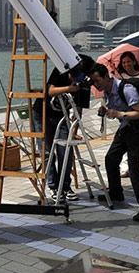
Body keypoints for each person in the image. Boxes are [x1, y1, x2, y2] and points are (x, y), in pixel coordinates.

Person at [89, 63, 139, 221]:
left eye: (97, 80)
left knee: (133, 168)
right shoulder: (107, 91)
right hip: (125, 129)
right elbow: (116, 111)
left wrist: (118, 113)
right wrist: (106, 111)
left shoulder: (126, 89)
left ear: (107, 76)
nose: (95, 84)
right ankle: (116, 193)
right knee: (111, 158)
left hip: (137, 130)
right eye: (93, 82)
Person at [32, 55, 95, 203]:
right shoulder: (61, 71)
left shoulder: (84, 83)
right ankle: (54, 187)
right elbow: (50, 91)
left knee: (66, 151)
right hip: (42, 112)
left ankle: (65, 186)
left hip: (63, 115)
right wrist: (70, 88)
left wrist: (74, 129)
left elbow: (79, 109)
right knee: (47, 152)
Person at [116, 51, 139, 180]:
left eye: (128, 61)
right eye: (123, 62)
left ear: (134, 62)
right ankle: (125, 168)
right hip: (126, 113)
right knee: (125, 139)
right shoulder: (120, 77)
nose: (126, 64)